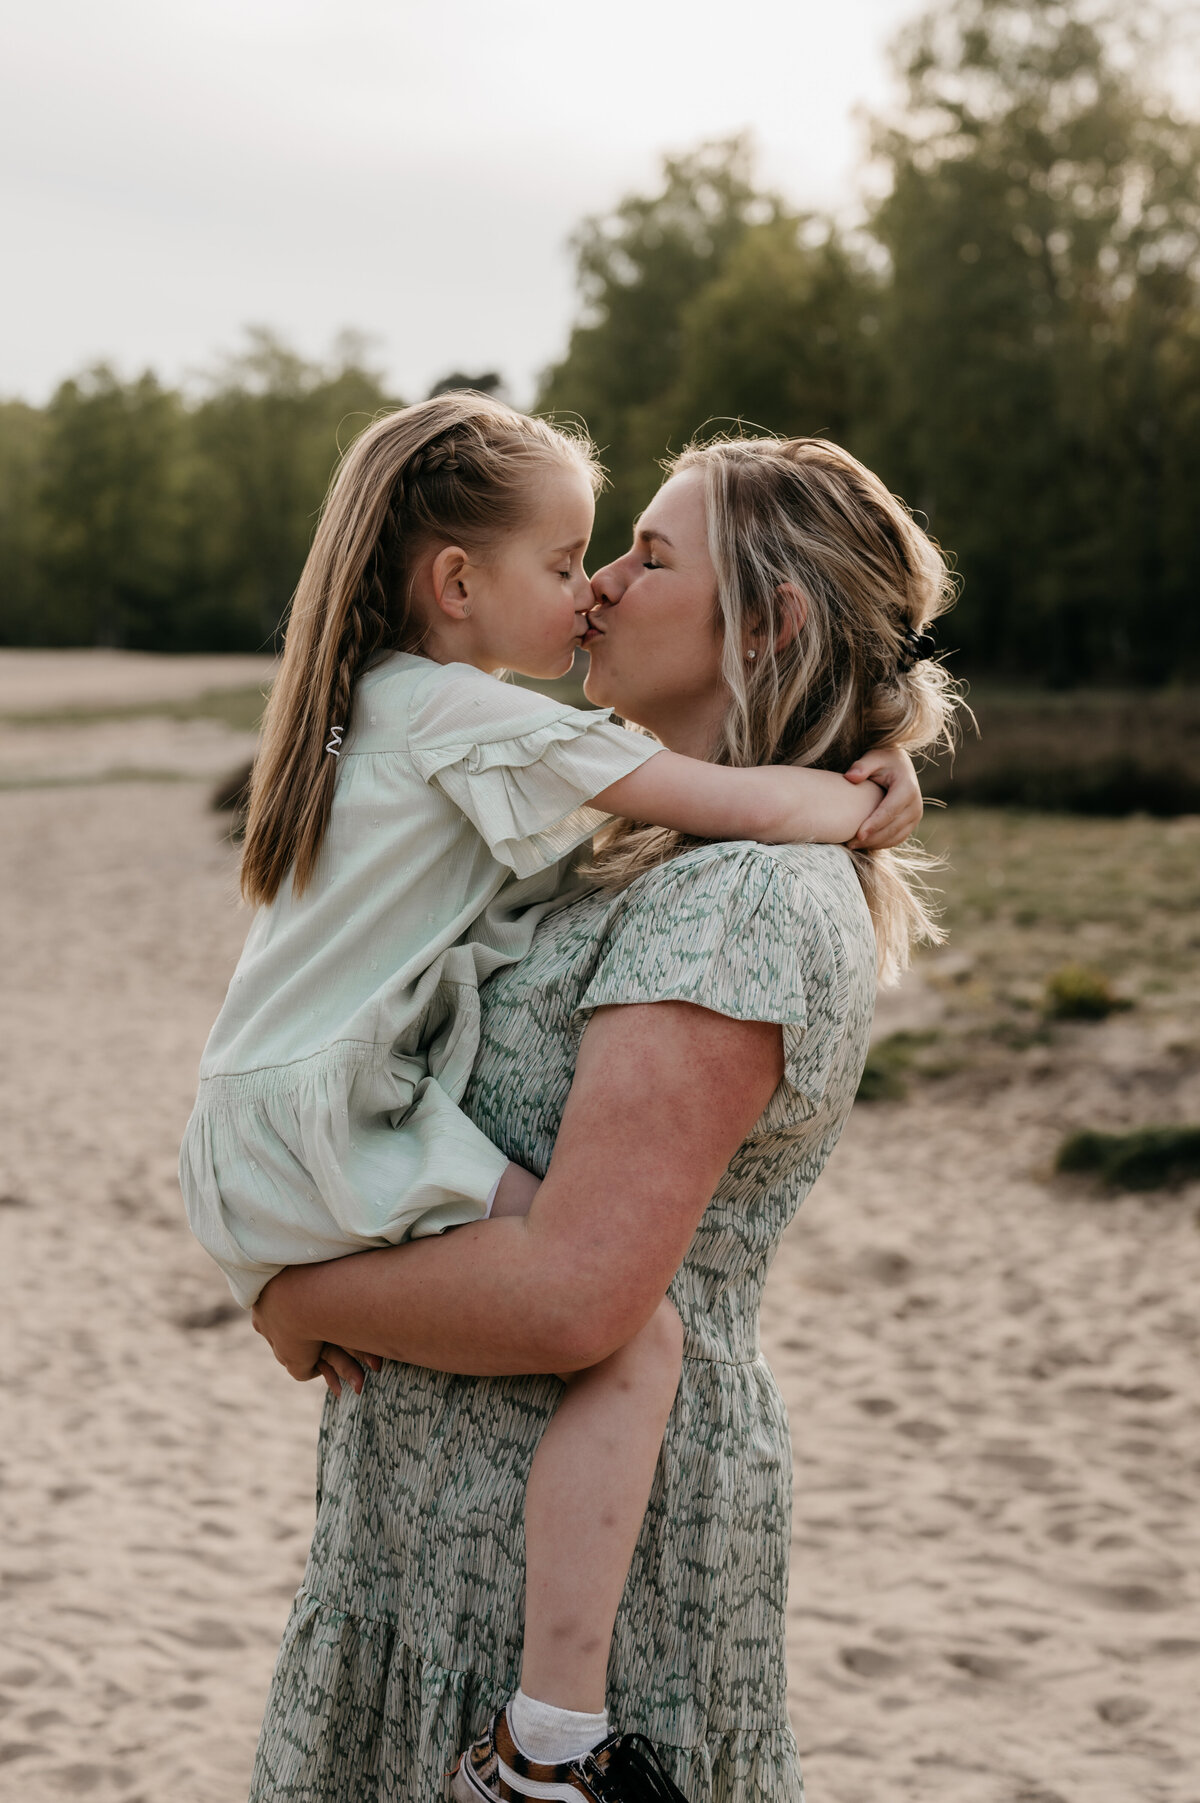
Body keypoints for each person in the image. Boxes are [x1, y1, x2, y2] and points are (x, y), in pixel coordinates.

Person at [179, 396, 923, 1799]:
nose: (600, 590)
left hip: (584, 1599)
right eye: (593, 551)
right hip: (424, 1562)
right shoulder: (621, 842)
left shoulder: (739, 901)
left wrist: (299, 1299)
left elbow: (583, 1298)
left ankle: (551, 1747)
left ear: (761, 626)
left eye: (644, 555)